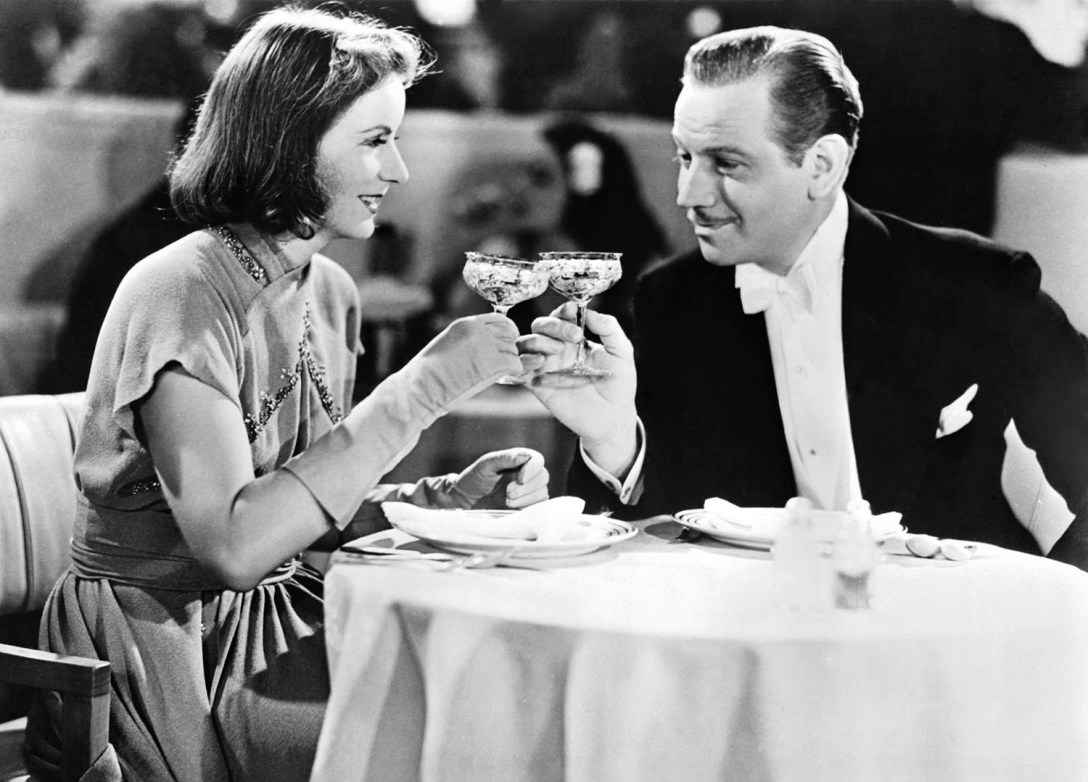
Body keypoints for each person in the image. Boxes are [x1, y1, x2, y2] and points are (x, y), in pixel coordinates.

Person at [25, 8, 549, 781]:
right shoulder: (182, 289)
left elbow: (295, 512)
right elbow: (237, 546)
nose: (399, 171)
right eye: (375, 140)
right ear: (290, 143)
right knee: (440, 736)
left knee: (494, 693)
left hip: (275, 615)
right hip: (163, 643)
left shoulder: (330, 291)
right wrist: (423, 387)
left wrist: (439, 500)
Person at [518, 25, 1088, 570]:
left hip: (947, 625)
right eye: (685, 157)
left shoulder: (975, 284)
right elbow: (663, 540)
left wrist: (1056, 601)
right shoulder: (671, 303)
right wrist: (613, 440)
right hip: (758, 627)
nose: (688, 194)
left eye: (726, 163)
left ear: (822, 166)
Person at [541, 115, 671, 334]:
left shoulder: (631, 221)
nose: (581, 175)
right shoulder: (554, 219)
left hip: (617, 324)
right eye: (572, 168)